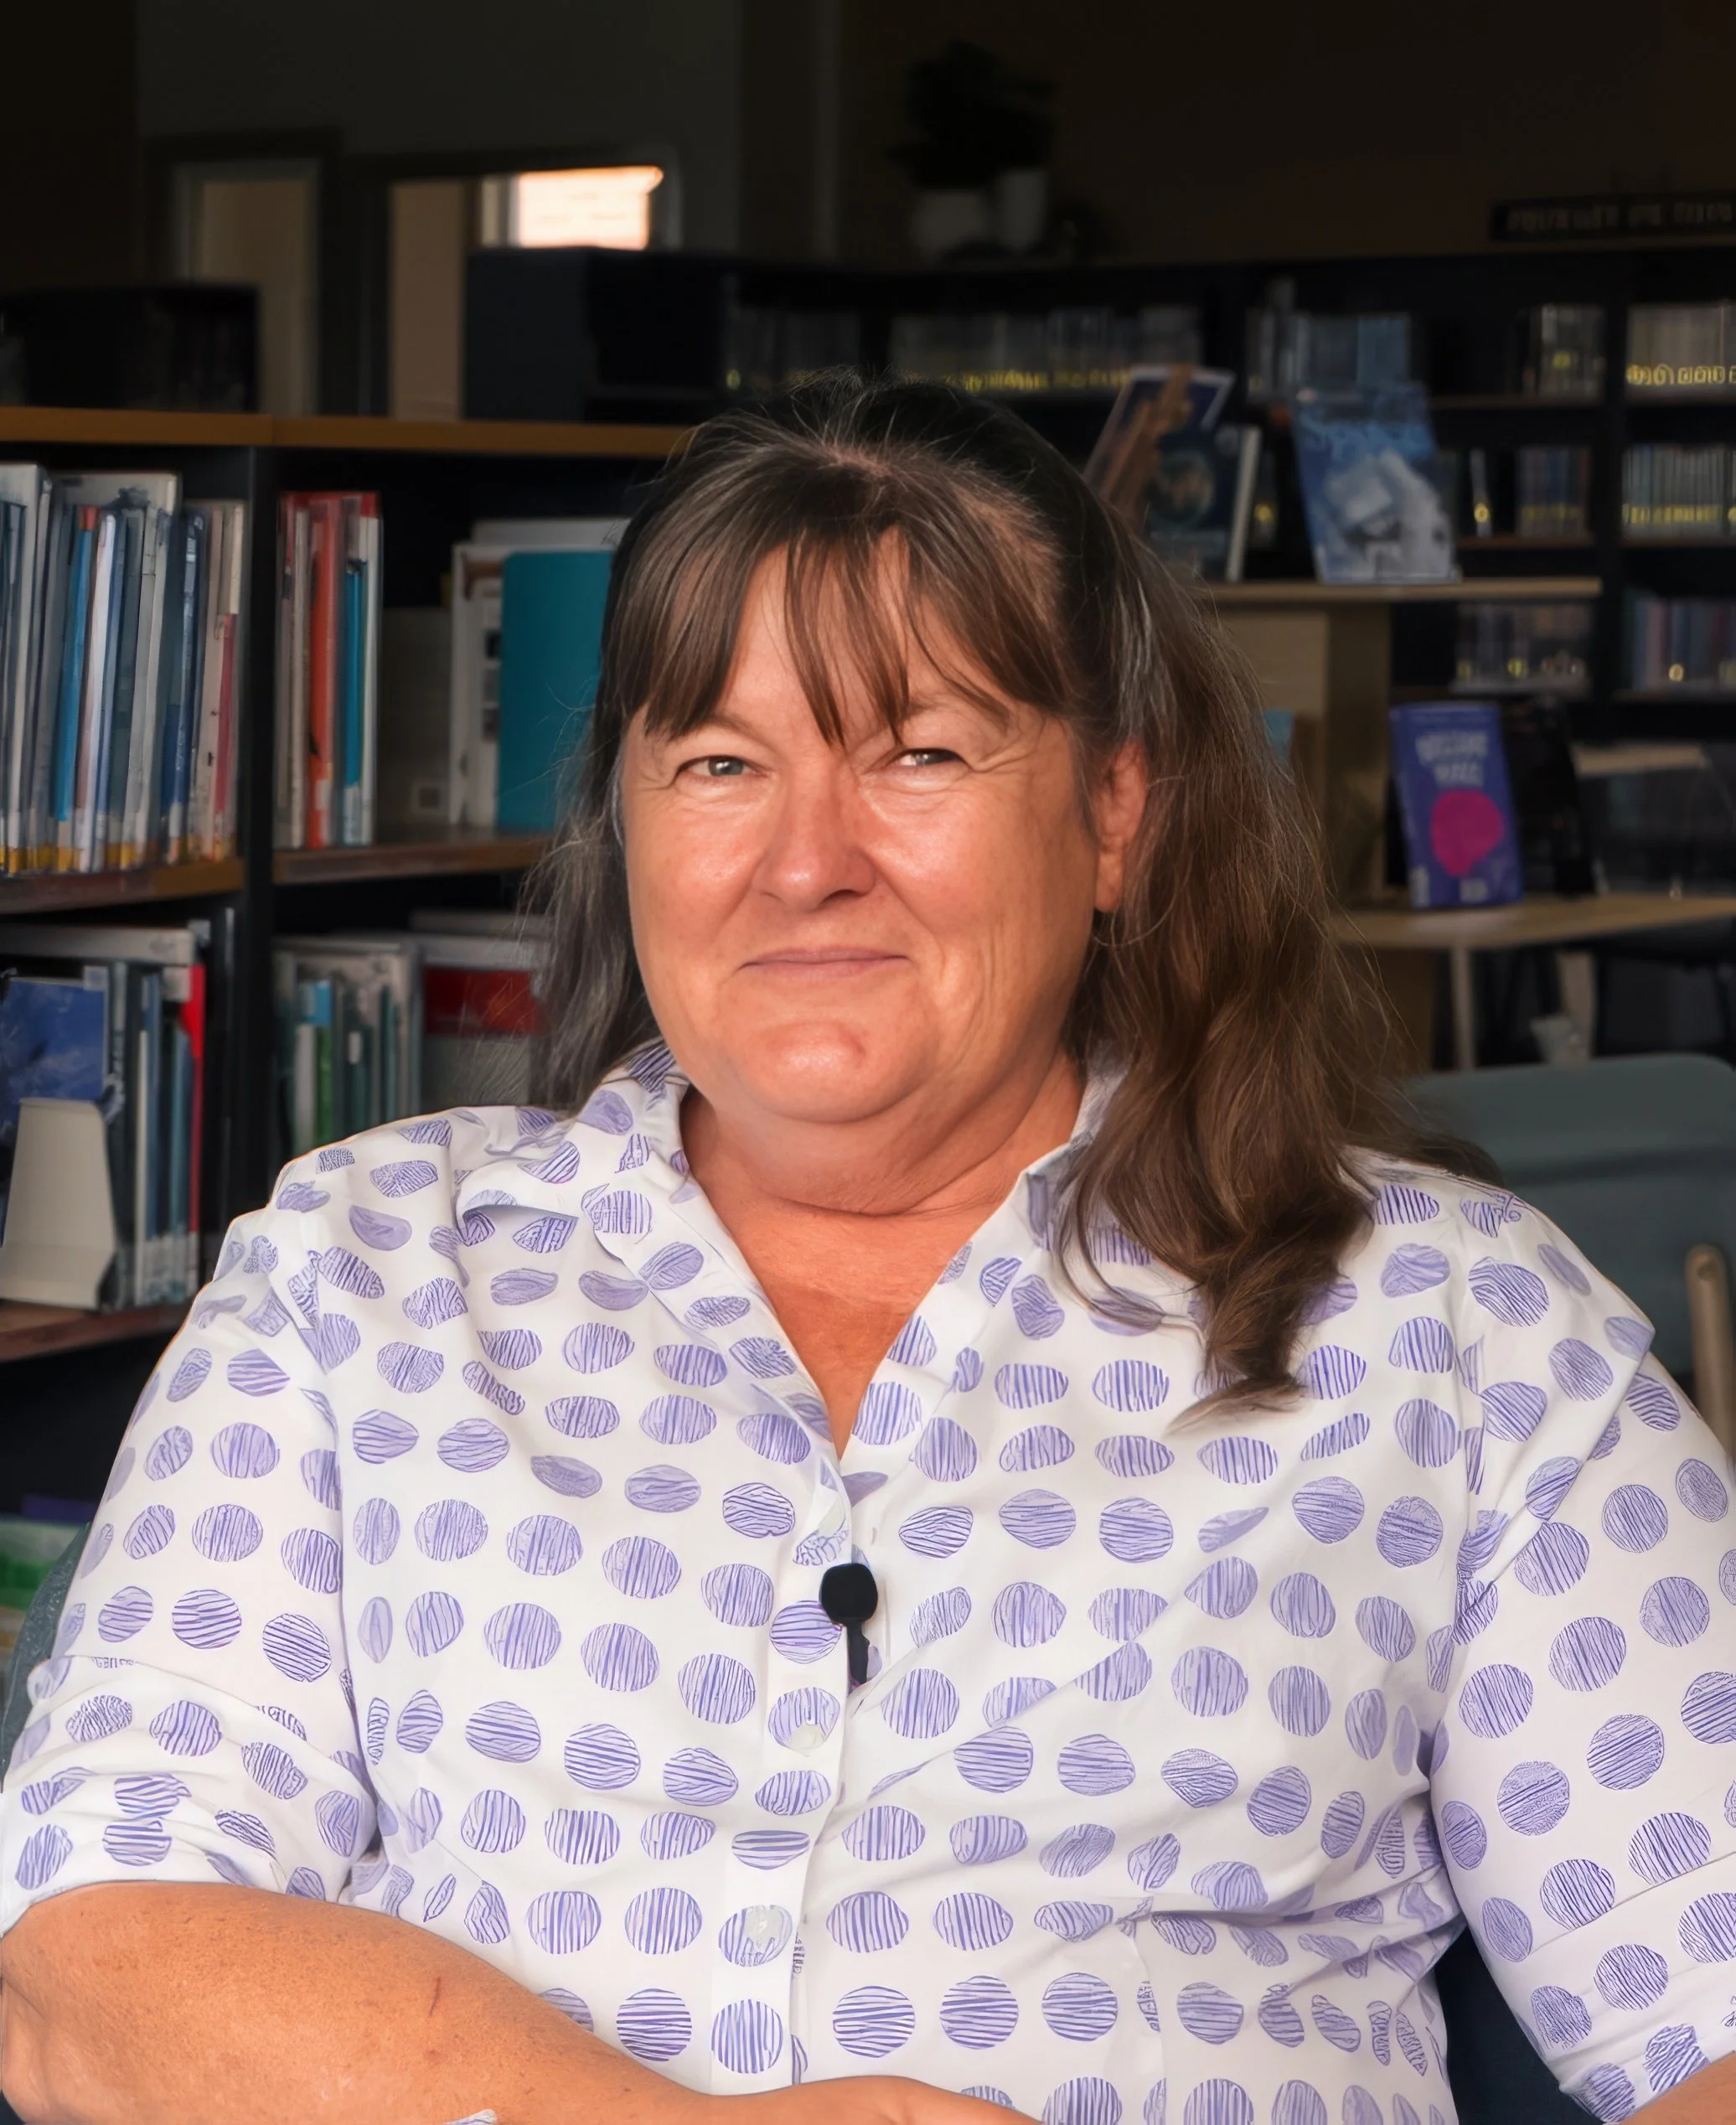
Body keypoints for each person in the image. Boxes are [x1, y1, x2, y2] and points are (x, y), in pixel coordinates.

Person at [2, 374, 1733, 2125]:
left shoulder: (1458, 1330)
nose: (805, 863)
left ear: (1115, 813)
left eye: (916, 751)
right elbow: (84, 1970)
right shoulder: (356, 1276)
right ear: (631, 821)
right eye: (721, 764)